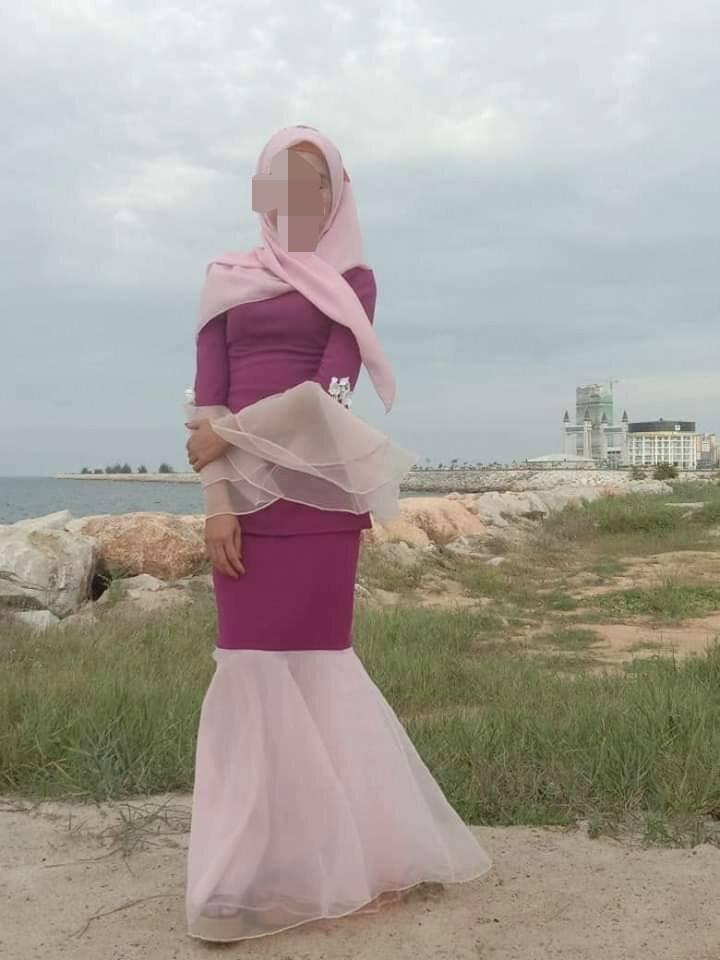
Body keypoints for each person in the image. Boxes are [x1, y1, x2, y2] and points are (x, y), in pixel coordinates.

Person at [183, 124, 493, 942]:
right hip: (242, 504)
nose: (294, 195)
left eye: (312, 181)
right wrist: (217, 499)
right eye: (280, 179)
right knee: (247, 670)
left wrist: (230, 434)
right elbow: (204, 399)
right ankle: (242, 868)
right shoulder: (224, 277)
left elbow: (331, 394)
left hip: (319, 500)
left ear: (335, 195)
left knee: (318, 673)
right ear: (260, 190)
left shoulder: (353, 281)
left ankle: (340, 858)